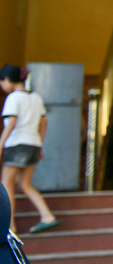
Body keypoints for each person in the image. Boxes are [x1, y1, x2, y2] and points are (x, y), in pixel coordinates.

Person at [0, 66, 57, 235]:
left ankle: (10, 227)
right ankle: (47, 216)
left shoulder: (13, 98)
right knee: (25, 184)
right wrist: (39, 144)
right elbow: (44, 123)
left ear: (8, 80)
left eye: (2, 82)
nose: (2, 86)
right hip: (33, 144)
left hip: (16, 144)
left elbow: (11, 123)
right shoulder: (36, 97)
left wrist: (0, 145)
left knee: (7, 186)